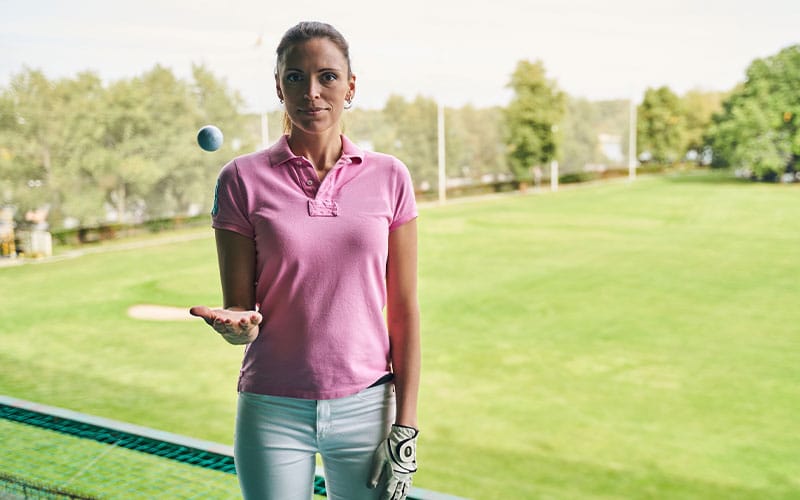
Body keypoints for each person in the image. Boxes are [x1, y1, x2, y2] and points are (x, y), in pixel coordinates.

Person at [189, 21, 421, 500]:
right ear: (279, 87)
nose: (311, 92)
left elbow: (403, 310)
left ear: (350, 87)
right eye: (295, 77)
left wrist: (406, 428)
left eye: (327, 77)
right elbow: (241, 308)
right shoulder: (240, 179)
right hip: (272, 407)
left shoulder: (391, 177)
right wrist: (237, 328)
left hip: (369, 407)